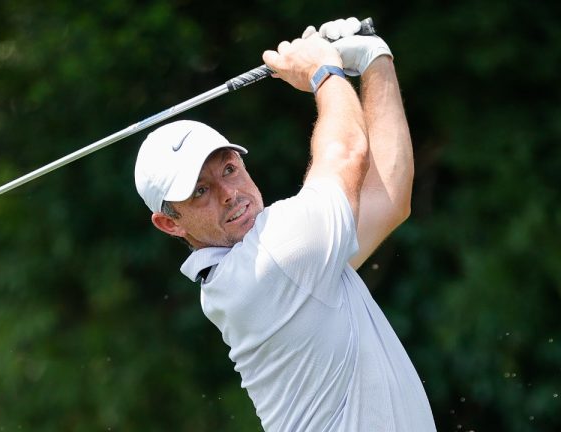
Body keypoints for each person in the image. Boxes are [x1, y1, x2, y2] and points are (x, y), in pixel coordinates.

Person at [134, 17, 436, 431]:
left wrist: (374, 58)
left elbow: (388, 200)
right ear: (170, 224)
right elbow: (346, 153)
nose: (229, 193)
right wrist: (322, 71)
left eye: (228, 169)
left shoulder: (291, 266)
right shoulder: (270, 260)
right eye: (200, 191)